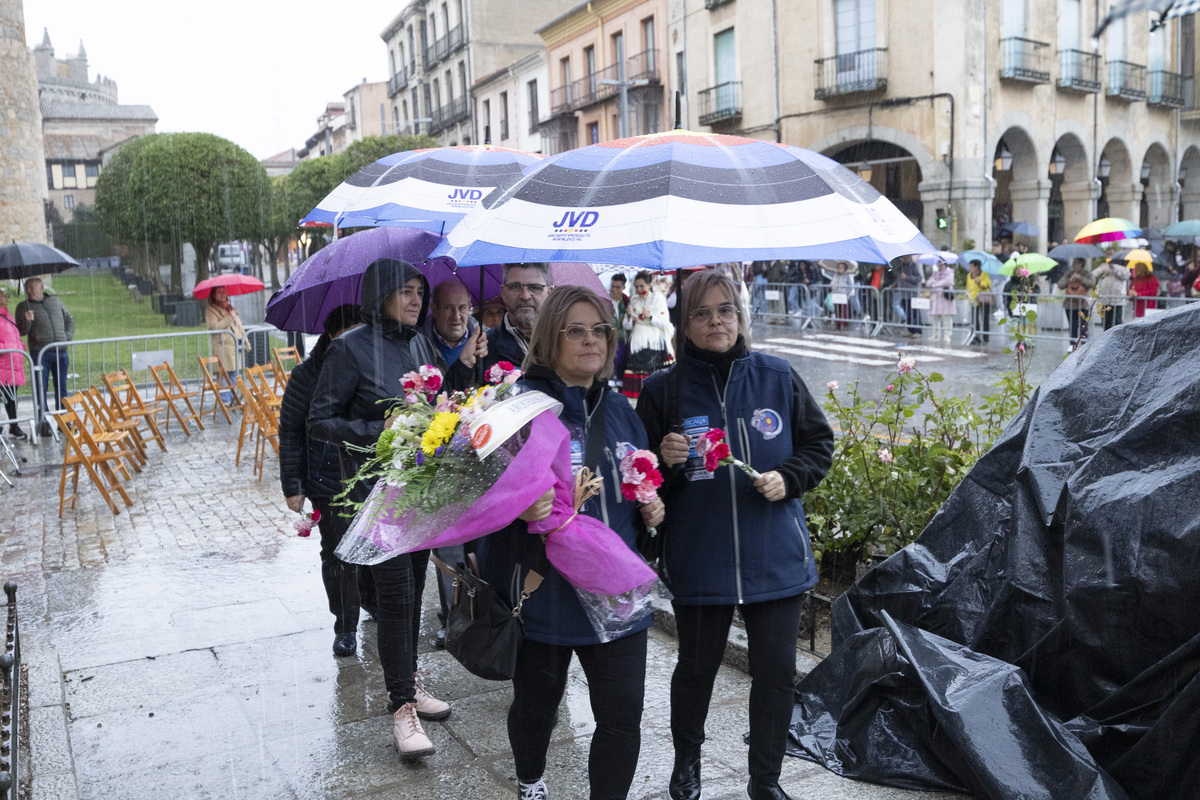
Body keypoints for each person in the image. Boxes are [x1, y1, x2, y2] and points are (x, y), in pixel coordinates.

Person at [636, 270, 835, 800]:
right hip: (701, 558)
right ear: (684, 323)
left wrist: (790, 477)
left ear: (741, 316)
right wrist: (664, 461)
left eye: (725, 310)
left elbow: (819, 446)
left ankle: (765, 781)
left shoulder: (777, 376)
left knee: (775, 674)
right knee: (696, 670)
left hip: (776, 556)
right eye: (702, 313)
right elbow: (639, 478)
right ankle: (686, 768)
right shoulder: (662, 390)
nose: (716, 321)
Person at [479, 285, 664, 800]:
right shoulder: (518, 407)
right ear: (549, 339)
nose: (591, 341)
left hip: (615, 591)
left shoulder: (623, 409)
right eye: (576, 331)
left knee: (623, 715)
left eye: (600, 330)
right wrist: (516, 508)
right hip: (544, 592)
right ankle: (531, 780)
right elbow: (472, 499)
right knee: (537, 707)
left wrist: (652, 509)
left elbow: (636, 482)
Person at [309, 259, 477, 757]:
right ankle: (401, 707)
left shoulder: (421, 342)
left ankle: (410, 681)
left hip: (418, 489)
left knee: (414, 588)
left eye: (418, 292)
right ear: (378, 294)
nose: (414, 301)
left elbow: (434, 402)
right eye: (403, 292)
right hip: (374, 495)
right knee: (396, 594)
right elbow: (321, 419)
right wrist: (376, 432)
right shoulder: (348, 348)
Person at [279, 304, 365, 657]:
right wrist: (294, 485)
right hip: (327, 477)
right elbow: (290, 431)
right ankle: (345, 625)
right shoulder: (307, 375)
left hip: (369, 474)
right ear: (332, 335)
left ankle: (371, 599)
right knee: (337, 555)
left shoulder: (370, 362)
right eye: (349, 333)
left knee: (373, 547)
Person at [422, 277, 486, 647]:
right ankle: (451, 618)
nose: (457, 315)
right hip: (440, 457)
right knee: (446, 545)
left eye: (463, 307)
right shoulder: (422, 342)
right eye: (448, 307)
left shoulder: (482, 339)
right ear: (434, 309)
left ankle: (479, 613)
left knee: (478, 543)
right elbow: (429, 396)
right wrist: (458, 363)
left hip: (479, 457)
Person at [15, 277, 74, 436]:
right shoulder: (23, 307)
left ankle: (64, 420)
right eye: (27, 288)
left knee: (62, 387)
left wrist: (67, 337)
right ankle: (44, 422)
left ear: (41, 288)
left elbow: (70, 319)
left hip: (60, 352)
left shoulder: (55, 301)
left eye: (32, 288)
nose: (28, 291)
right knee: (41, 388)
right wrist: (26, 321)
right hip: (40, 353)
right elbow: (21, 331)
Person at [484, 263, 550, 371]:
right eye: (515, 287)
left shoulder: (566, 343)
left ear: (550, 293)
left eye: (534, 287)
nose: (525, 296)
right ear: (503, 292)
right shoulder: (484, 347)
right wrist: (465, 365)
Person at [622, 271, 674, 399]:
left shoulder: (658, 298)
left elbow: (664, 322)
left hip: (655, 343)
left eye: (642, 286)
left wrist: (650, 317)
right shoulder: (633, 301)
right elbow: (627, 326)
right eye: (636, 286)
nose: (639, 289)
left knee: (655, 377)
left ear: (649, 284)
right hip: (637, 344)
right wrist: (629, 316)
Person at [0, 288, 29, 439]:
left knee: (12, 397)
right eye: (4, 295)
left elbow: (14, 337)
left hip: (12, 365)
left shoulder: (7, 315)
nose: (7, 297)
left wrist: (20, 348)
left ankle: (14, 425)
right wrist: (10, 349)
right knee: (4, 397)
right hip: (2, 365)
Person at [205, 285, 246, 379]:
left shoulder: (230, 308)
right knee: (224, 377)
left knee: (233, 376)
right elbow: (214, 327)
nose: (223, 294)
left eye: (224, 292)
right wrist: (229, 317)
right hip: (222, 348)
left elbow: (239, 326)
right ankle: (226, 394)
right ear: (214, 295)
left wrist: (246, 341)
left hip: (233, 348)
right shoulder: (210, 311)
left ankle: (232, 394)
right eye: (219, 292)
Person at [1057, 259, 1095, 343]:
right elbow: (1060, 284)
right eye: (1073, 263)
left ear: (1081, 264)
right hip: (1070, 305)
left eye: (1076, 263)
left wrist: (1080, 278)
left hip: (1083, 305)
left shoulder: (1087, 274)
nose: (1073, 265)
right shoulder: (1068, 274)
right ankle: (1072, 345)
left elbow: (1092, 283)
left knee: (1083, 327)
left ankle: (1084, 345)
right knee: (1072, 326)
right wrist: (1069, 279)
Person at [925, 259, 957, 343]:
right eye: (938, 265)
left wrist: (936, 284)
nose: (940, 267)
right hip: (936, 299)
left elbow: (948, 281)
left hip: (946, 299)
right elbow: (928, 283)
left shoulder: (950, 273)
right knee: (935, 318)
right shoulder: (935, 273)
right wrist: (935, 282)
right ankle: (935, 335)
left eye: (941, 265)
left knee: (947, 318)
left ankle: (947, 335)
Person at [1093, 259, 1130, 329]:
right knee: (1105, 323)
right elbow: (1094, 274)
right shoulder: (1104, 266)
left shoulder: (1123, 267)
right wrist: (1102, 270)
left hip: (1117, 301)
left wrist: (1114, 268)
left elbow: (1126, 276)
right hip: (1105, 300)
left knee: (1117, 323)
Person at [609, 273, 631, 385]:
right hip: (608, 339)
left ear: (623, 287)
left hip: (623, 339)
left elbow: (630, 325)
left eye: (617, 287)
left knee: (621, 363)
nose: (614, 290)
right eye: (612, 286)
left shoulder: (628, 302)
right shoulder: (605, 300)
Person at [965, 260, 993, 344]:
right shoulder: (969, 275)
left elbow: (988, 284)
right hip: (973, 300)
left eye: (971, 266)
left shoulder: (984, 274)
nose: (970, 268)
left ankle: (985, 337)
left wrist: (979, 281)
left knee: (985, 318)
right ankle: (975, 337)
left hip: (983, 299)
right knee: (974, 319)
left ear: (977, 267)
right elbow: (968, 286)